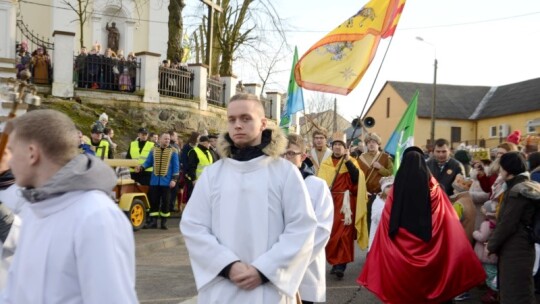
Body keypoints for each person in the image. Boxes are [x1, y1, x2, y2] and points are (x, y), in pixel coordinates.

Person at [180, 93, 317, 303]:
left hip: (268, 290)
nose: (237, 125)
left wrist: (264, 270)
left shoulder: (285, 172)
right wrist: (227, 266)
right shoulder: (212, 174)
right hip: (221, 289)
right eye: (232, 119)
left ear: (263, 123)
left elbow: (302, 228)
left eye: (246, 118)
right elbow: (193, 226)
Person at [1, 109, 137, 303]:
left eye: (12, 151)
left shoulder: (97, 217)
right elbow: (14, 293)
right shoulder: (33, 212)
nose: (9, 161)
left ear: (32, 154)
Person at [358, 146, 485, 303]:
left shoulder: (396, 189)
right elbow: (446, 218)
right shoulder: (435, 189)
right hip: (432, 243)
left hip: (401, 247)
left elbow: (387, 220)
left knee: (405, 287)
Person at [284, 134, 333, 304]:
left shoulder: (317, 186)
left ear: (303, 156)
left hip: (306, 264)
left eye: (290, 154)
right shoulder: (272, 184)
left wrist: (297, 259)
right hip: (276, 267)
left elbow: (323, 228)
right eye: (282, 154)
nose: (285, 158)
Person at [487, 152, 539, 303]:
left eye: (501, 167)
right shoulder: (523, 186)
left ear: (507, 169)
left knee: (515, 293)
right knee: (519, 290)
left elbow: (507, 223)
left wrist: (491, 245)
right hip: (520, 247)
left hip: (516, 249)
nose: (499, 170)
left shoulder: (517, 191)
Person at [317, 136, 368, 278]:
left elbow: (357, 179)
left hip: (346, 203)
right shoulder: (326, 164)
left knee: (344, 234)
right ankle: (335, 262)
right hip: (330, 201)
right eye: (335, 145)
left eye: (340, 145)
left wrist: (347, 161)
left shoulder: (351, 162)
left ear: (345, 148)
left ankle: (341, 265)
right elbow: (320, 184)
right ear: (332, 147)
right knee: (332, 233)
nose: (338, 147)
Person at [137, 132, 179, 230]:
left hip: (167, 182)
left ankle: (164, 222)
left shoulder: (173, 151)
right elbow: (148, 162)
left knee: (166, 202)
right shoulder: (153, 150)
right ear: (160, 139)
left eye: (168, 139)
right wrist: (142, 167)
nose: (167, 140)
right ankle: (153, 222)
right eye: (165, 139)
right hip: (154, 181)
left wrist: (174, 180)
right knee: (154, 202)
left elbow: (176, 167)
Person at [358, 132, 393, 233]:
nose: (371, 144)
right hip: (364, 194)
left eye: (373, 142)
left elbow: (391, 174)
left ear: (378, 144)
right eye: (368, 142)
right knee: (367, 219)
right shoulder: (360, 158)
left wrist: (380, 168)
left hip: (380, 195)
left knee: (379, 220)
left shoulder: (385, 157)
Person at [473, 201, 499, 303]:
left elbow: (482, 237)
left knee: (490, 273)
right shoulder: (497, 222)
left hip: (486, 253)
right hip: (493, 254)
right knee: (492, 271)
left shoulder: (486, 224)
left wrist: (475, 232)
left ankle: (493, 292)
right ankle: (491, 291)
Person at [368, 176, 394, 251]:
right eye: (388, 186)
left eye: (393, 186)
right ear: (383, 189)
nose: (391, 188)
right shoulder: (378, 201)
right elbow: (376, 217)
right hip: (379, 232)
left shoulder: (396, 200)